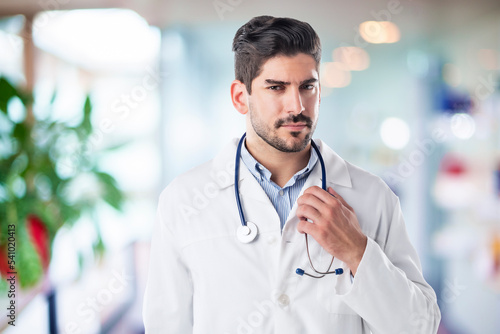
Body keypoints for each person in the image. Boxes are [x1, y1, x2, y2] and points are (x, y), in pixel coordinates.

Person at [143, 15, 441, 333]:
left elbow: (419, 326)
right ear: (240, 97)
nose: (297, 105)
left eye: (307, 87)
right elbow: (166, 324)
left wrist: (357, 250)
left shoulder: (372, 196)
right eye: (277, 87)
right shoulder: (184, 199)